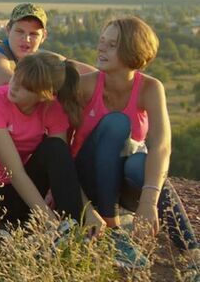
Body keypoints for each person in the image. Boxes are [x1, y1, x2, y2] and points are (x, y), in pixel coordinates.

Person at [72, 16, 199, 271]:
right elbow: (60, 148)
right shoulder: (84, 86)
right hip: (86, 179)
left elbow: (162, 145)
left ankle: (191, 250)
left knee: (141, 162)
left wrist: (148, 203)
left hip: (122, 184)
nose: (101, 48)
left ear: (132, 50)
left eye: (112, 44)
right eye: (102, 41)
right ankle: (113, 229)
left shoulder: (150, 88)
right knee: (117, 123)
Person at [0, 52, 98, 233]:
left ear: (46, 95)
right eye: (16, 77)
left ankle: (76, 226)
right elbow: (14, 172)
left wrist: (88, 210)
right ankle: (55, 232)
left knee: (55, 148)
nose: (14, 87)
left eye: (26, 87)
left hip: (19, 194)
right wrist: (48, 219)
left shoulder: (52, 109)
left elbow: (64, 167)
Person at [0, 3, 96, 148]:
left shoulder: (38, 59)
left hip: (14, 131)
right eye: (19, 31)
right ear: (8, 30)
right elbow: (20, 90)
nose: (26, 39)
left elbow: (94, 76)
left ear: (44, 36)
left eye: (34, 34)